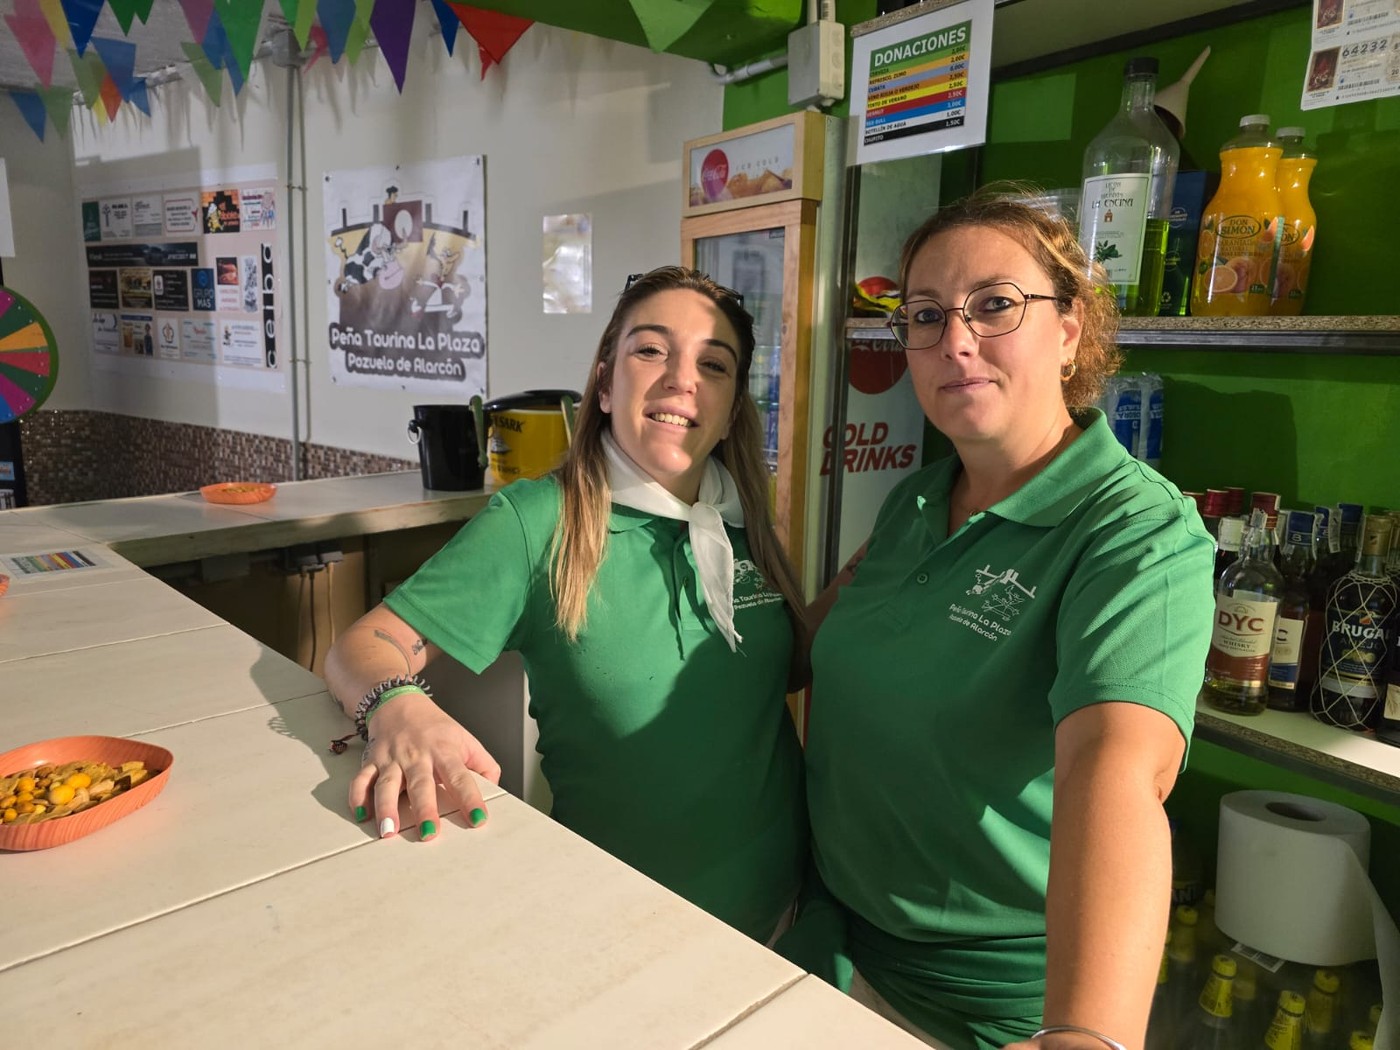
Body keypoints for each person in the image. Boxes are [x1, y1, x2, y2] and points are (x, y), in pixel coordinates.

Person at [783, 188, 1215, 1049]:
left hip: (972, 1012)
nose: (956, 341)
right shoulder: (916, 497)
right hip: (825, 942)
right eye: (926, 315)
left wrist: (1086, 1034)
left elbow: (1116, 769)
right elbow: (810, 643)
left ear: (1070, 331)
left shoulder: (1136, 533)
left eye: (994, 305)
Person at [323, 266, 808, 943]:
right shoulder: (540, 522)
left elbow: (775, 674)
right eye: (651, 349)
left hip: (787, 916)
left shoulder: (738, 513)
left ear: (730, 412)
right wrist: (400, 709)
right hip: (627, 928)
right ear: (605, 384)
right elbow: (361, 646)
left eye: (714, 364)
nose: (682, 378)